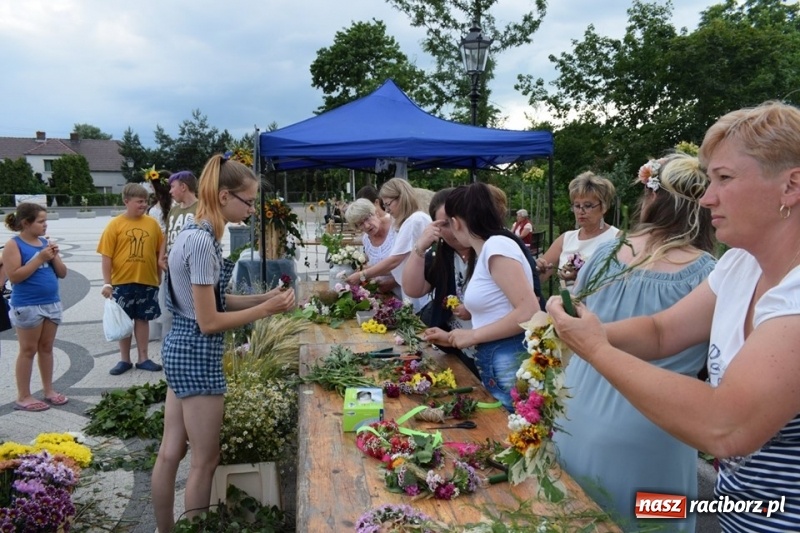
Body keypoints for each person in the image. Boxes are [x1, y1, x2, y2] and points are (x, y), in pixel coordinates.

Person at [547, 101, 800, 532]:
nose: (707, 197)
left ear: (791, 185)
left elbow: (726, 427)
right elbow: (663, 332)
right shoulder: (739, 264)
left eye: (724, 178)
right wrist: (587, 331)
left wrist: (594, 347)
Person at [553, 153, 716, 531]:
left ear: (651, 198)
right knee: (654, 521)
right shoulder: (708, 274)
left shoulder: (607, 253)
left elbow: (575, 318)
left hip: (576, 413)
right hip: (652, 432)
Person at [151, 153, 295, 532]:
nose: (252, 209)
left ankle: (166, 529)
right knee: (204, 460)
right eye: (248, 201)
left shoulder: (195, 233)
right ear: (225, 196)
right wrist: (265, 312)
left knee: (170, 452)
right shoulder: (202, 243)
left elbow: (215, 303)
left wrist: (266, 300)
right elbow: (210, 320)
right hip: (196, 353)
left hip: (181, 346)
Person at [443, 182, 540, 411]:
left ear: (456, 222)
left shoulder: (497, 246)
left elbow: (529, 310)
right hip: (499, 356)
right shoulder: (490, 248)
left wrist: (473, 335)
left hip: (506, 356)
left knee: (517, 428)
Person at [402, 188, 479, 377]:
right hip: (455, 348)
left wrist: (475, 309)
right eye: (445, 224)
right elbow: (413, 289)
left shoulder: (489, 250)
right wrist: (420, 247)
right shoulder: (441, 254)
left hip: (491, 349)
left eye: (456, 221)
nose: (454, 229)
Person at [3, 203, 68, 411]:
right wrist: (39, 258)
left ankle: (49, 390)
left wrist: (54, 255)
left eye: (45, 221)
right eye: (41, 222)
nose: (45, 225)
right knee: (28, 349)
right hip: (28, 304)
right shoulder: (14, 245)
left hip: (51, 302)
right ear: (26, 223)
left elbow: (62, 273)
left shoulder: (44, 242)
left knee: (47, 348)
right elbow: (15, 276)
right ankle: (24, 396)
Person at [97, 183, 165, 375]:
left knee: (142, 319)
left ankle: (143, 357)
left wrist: (158, 276)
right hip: (121, 282)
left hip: (147, 280)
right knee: (124, 321)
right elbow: (106, 256)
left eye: (145, 201)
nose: (143, 205)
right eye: (139, 201)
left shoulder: (152, 224)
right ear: (127, 202)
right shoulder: (115, 225)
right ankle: (124, 359)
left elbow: (159, 251)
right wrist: (107, 283)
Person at [345, 178, 431, 312]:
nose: (387, 210)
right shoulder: (408, 221)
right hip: (411, 291)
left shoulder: (414, 220)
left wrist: (363, 275)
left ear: (401, 198)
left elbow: (394, 261)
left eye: (388, 204)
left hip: (421, 293)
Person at [535, 172, 618, 292]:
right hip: (565, 308)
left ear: (604, 207)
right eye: (577, 205)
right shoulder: (566, 239)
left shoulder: (617, 238)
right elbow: (540, 278)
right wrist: (538, 269)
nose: (581, 211)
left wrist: (580, 279)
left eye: (588, 205)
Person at [156, 170, 199, 338]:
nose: (170, 191)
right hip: (171, 271)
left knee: (190, 309)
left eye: (172, 187)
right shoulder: (174, 211)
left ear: (183, 187)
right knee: (169, 310)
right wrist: (161, 257)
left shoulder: (201, 208)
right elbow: (167, 235)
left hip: (190, 271)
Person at [344, 198, 398, 294]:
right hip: (385, 296)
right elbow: (379, 264)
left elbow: (404, 262)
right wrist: (366, 270)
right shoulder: (366, 240)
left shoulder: (396, 226)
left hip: (408, 289)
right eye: (360, 224)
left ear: (376, 213)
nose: (367, 225)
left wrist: (394, 282)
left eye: (367, 218)